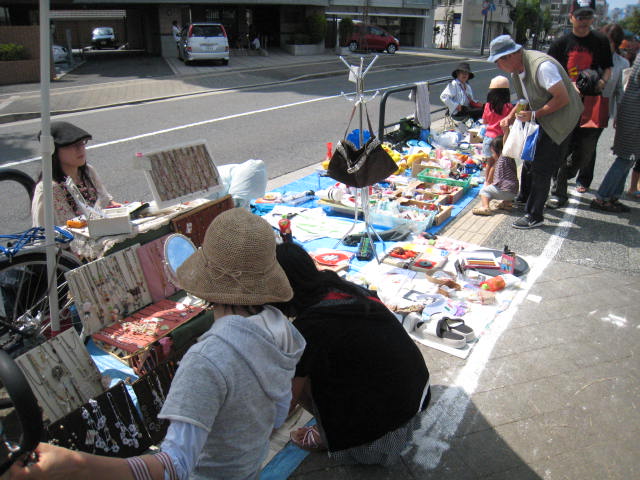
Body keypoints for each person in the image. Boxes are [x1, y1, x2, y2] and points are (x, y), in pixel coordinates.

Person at [6, 208, 306, 480]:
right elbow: (278, 414)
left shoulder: (208, 359)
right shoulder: (284, 333)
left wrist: (76, 464)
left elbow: (175, 466)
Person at [272, 242, 430, 466]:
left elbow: (283, 405)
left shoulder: (310, 327)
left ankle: (329, 436)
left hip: (380, 441)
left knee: (299, 376)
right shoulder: (339, 286)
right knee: (311, 366)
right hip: (414, 402)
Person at [490, 34, 583, 229]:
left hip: (560, 119)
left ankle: (535, 214)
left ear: (510, 56)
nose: (498, 67)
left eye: (498, 61)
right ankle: (524, 197)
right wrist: (512, 115)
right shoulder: (517, 70)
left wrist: (534, 115)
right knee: (529, 158)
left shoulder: (542, 67)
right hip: (540, 117)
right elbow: (524, 98)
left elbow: (562, 98)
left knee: (542, 166)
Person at [546, 0, 613, 206]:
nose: (584, 21)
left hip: (592, 103)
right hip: (566, 104)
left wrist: (601, 81)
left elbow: (608, 67)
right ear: (571, 17)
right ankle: (559, 192)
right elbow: (548, 71)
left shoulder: (600, 40)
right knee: (562, 147)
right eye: (580, 16)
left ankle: (564, 174)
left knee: (586, 150)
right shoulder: (561, 43)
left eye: (588, 16)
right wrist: (568, 87)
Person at [574, 23, 629, 195]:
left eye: (611, 42)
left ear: (617, 43)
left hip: (600, 108)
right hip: (579, 105)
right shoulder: (588, 56)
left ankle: (584, 179)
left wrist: (619, 116)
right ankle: (559, 178)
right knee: (570, 143)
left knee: (589, 146)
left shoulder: (622, 63)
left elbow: (620, 91)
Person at [31, 121, 120, 227]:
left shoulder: (88, 172)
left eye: (82, 142)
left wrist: (122, 209)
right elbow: (42, 234)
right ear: (54, 150)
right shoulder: (47, 189)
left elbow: (107, 202)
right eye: (72, 145)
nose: (80, 148)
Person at [590, 53, 640, 212]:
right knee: (626, 158)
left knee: (629, 158)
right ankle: (602, 197)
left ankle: (613, 197)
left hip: (631, 112)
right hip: (635, 115)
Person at [472, 136, 518, 216]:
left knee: (484, 191)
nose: (492, 155)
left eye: (493, 152)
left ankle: (485, 207)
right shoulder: (510, 159)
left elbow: (505, 143)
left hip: (506, 191)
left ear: (499, 151)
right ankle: (506, 203)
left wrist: (506, 130)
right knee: (494, 189)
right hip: (513, 192)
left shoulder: (503, 158)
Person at [481, 75, 513, 170]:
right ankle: (494, 183)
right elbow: (511, 122)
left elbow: (484, 121)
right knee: (497, 165)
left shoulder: (488, 105)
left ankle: (487, 182)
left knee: (489, 164)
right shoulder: (508, 106)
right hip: (499, 139)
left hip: (488, 138)